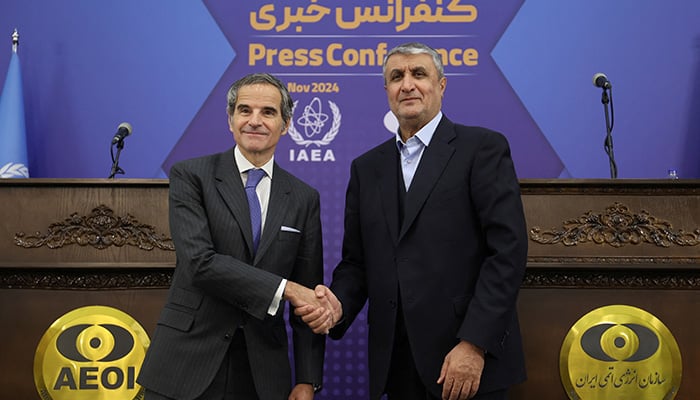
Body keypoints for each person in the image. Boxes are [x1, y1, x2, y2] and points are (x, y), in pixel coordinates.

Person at [298, 42, 528, 400]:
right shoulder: (366, 168)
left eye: (419, 74)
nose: (407, 84)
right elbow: (357, 262)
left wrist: (475, 343)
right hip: (397, 363)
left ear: (442, 85)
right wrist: (338, 305)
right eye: (396, 77)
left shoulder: (482, 148)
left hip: (465, 360)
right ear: (387, 90)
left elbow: (507, 252)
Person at [138, 73, 333, 400]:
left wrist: (307, 378)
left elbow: (308, 296)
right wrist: (286, 289)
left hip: (262, 374)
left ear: (286, 124)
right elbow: (200, 263)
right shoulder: (191, 176)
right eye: (245, 110)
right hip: (185, 362)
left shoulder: (303, 197)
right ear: (230, 120)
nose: (254, 121)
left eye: (268, 112)